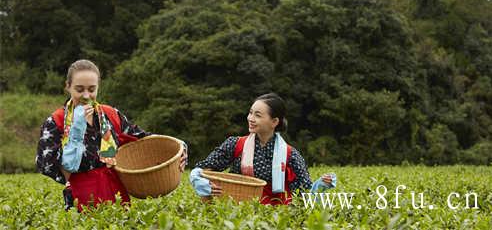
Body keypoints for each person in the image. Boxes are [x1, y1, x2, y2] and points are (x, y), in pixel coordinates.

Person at [36, 59, 187, 211]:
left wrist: (180, 148)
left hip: (117, 196)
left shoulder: (109, 114)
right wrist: (70, 176)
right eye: (79, 89)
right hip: (80, 197)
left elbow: (142, 137)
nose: (86, 96)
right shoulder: (57, 121)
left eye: (92, 89)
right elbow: (45, 164)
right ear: (68, 87)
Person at [190, 93, 335, 205]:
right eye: (250, 112)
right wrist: (199, 180)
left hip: (275, 218)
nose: (250, 118)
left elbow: (305, 193)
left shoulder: (291, 155)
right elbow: (203, 169)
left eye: (257, 115)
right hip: (236, 214)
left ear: (274, 122)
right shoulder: (234, 144)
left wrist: (322, 184)